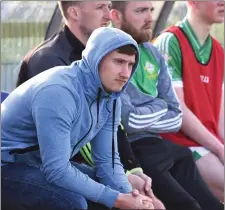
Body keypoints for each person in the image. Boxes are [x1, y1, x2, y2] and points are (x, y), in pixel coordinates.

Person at [14, 1, 165, 209]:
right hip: (9, 164)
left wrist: (133, 197)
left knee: (113, 190)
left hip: (38, 164)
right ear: (96, 59)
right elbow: (56, 170)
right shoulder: (59, 90)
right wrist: (119, 200)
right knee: (73, 202)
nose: (125, 73)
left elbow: (107, 162)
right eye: (119, 62)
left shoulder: (109, 97)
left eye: (130, 65)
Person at [110, 1, 224, 210]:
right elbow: (129, 119)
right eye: (140, 11)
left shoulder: (152, 52)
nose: (150, 17)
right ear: (115, 16)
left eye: (151, 10)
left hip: (166, 145)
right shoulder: (113, 53)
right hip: (141, 147)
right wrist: (162, 108)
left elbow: (176, 114)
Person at [153, 0, 224, 201]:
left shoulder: (218, 50)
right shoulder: (170, 41)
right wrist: (220, 149)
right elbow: (179, 111)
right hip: (180, 142)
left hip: (207, 141)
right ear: (192, 2)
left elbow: (220, 112)